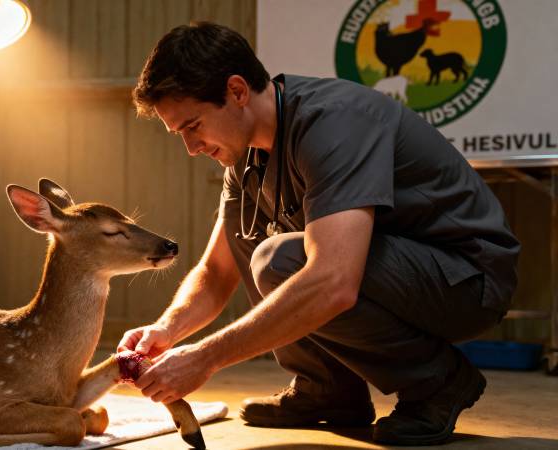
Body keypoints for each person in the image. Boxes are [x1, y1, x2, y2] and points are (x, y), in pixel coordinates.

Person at [117, 21, 520, 446]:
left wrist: (205, 358)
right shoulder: (244, 157)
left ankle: (437, 381)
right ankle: (327, 390)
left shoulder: (333, 123)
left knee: (281, 261)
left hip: (468, 279)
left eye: (193, 126)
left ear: (237, 91)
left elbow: (334, 283)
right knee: (253, 244)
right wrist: (165, 331)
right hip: (406, 277)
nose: (191, 147)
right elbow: (217, 273)